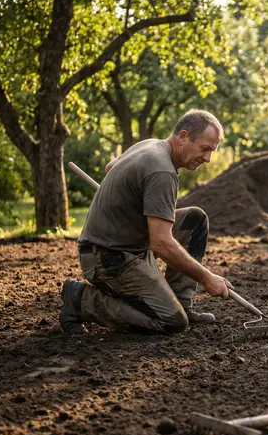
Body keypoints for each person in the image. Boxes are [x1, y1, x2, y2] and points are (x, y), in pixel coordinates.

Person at [59, 109, 233, 335]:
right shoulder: (162, 171)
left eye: (212, 151)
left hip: (129, 243)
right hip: (107, 258)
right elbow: (161, 244)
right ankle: (82, 300)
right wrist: (207, 278)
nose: (208, 158)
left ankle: (181, 302)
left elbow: (111, 167)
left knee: (194, 220)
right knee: (172, 322)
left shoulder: (150, 145)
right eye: (204, 148)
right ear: (183, 136)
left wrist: (127, 197)